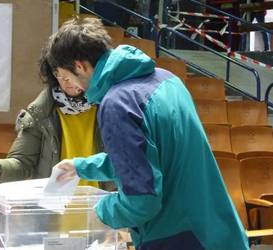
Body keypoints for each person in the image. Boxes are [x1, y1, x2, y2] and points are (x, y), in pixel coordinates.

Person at [48, 17, 249, 249]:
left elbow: (142, 202)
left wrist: (99, 212)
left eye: (66, 76)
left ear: (80, 66)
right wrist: (81, 167)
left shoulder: (118, 104)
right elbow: (148, 156)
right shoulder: (168, 80)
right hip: (219, 230)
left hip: (177, 237)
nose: (71, 85)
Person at [0, 46, 113, 191]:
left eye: (72, 73)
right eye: (60, 74)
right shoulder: (40, 113)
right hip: (54, 209)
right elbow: (22, 162)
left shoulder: (110, 107)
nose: (67, 82)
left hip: (102, 208)